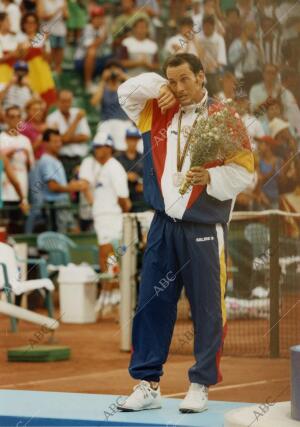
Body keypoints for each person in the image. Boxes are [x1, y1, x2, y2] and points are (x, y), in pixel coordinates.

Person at [117, 53, 254, 413]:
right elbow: (125, 92)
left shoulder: (225, 118)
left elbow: (245, 174)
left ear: (201, 76)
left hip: (204, 228)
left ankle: (200, 384)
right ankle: (147, 384)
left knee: (208, 309)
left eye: (184, 80)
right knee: (151, 305)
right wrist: (158, 86)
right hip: (163, 225)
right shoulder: (157, 109)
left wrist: (212, 177)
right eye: (171, 81)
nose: (178, 88)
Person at [79, 131, 131, 315]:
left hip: (113, 217)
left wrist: (121, 215)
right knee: (105, 257)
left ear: (109, 148)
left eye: (100, 147)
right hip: (101, 217)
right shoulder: (96, 165)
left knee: (111, 255)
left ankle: (115, 294)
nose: (97, 150)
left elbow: (123, 198)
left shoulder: (114, 167)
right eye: (95, 147)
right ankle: (109, 293)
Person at [28, 128, 87, 233]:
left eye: (59, 141)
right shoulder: (46, 161)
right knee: (59, 238)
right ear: (45, 144)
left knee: (74, 232)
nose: (58, 144)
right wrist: (72, 187)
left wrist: (71, 185)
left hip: (62, 205)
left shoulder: (54, 159)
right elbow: (53, 186)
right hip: (54, 207)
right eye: (55, 142)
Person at [0, 105, 34, 233]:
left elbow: (30, 167)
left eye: (18, 116)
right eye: (12, 116)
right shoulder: (1, 139)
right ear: (6, 119)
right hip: (4, 194)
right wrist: (7, 154)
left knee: (19, 231)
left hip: (22, 195)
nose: (15, 120)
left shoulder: (25, 141)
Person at [46, 89, 91, 180]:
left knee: (80, 189)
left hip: (80, 158)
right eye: (63, 101)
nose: (66, 104)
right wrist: (76, 120)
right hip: (62, 160)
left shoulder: (77, 112)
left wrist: (64, 138)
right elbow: (60, 140)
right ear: (57, 102)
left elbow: (86, 136)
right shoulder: (51, 118)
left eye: (69, 101)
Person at [90, 60, 132, 152]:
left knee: (122, 137)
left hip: (123, 122)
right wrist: (102, 80)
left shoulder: (125, 86)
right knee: (101, 142)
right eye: (110, 69)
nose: (113, 72)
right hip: (106, 122)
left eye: (116, 69)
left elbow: (137, 90)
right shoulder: (102, 87)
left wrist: (123, 76)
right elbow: (94, 102)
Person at [74, 5, 111, 93]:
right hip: (81, 60)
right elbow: (91, 46)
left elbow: (109, 45)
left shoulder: (103, 29)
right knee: (92, 52)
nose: (98, 20)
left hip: (99, 59)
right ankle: (88, 84)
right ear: (92, 19)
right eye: (96, 17)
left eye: (100, 17)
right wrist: (102, 37)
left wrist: (105, 34)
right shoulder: (86, 29)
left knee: (113, 58)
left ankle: (110, 86)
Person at [115, 126, 146, 212]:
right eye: (130, 139)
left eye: (134, 139)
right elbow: (112, 176)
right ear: (126, 139)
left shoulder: (143, 158)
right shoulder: (118, 158)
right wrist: (125, 176)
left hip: (138, 196)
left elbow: (149, 177)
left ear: (138, 140)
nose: (132, 142)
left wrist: (144, 185)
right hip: (122, 195)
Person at [37, 0, 69, 75]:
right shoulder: (41, 1)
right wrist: (57, 10)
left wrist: (64, 13)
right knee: (48, 61)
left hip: (61, 33)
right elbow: (42, 16)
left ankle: (57, 81)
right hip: (47, 34)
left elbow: (67, 17)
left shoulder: (63, 1)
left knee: (59, 63)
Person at [198, 15, 227, 96]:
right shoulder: (198, 39)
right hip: (201, 73)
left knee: (217, 95)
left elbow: (221, 61)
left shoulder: (219, 39)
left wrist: (212, 65)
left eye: (209, 27)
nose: (206, 29)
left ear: (213, 27)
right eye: (205, 26)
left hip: (215, 73)